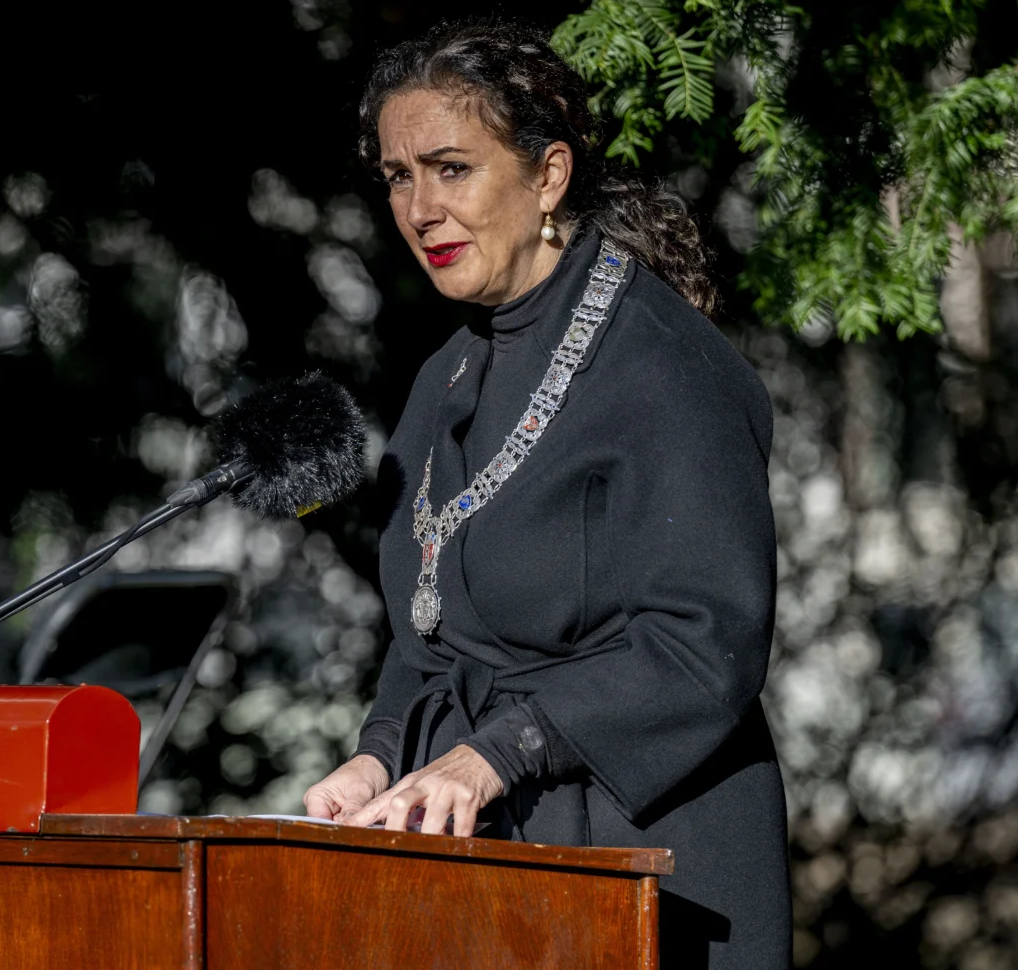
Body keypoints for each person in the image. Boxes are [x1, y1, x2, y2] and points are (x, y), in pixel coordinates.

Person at [300, 19, 790, 969]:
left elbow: (702, 640)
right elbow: (428, 629)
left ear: (549, 175)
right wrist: (380, 752)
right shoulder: (443, 376)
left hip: (646, 856)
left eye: (451, 168)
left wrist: (500, 751)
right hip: (487, 856)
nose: (419, 210)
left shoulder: (665, 363)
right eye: (399, 177)